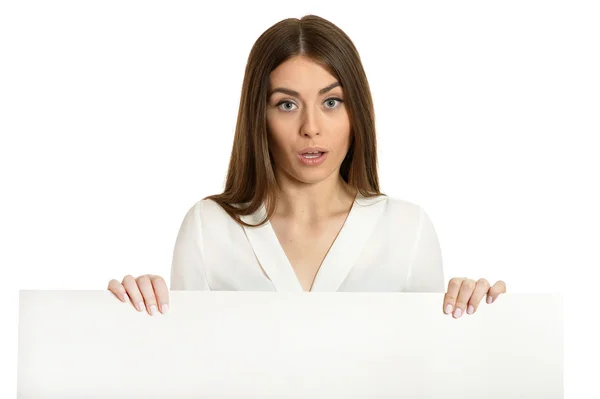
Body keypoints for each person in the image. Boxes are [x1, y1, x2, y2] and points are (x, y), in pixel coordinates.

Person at [107, 14, 506, 319]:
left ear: (356, 112)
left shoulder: (407, 229)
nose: (311, 128)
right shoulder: (209, 227)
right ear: (258, 116)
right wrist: (140, 314)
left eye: (331, 102)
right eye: (287, 104)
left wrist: (474, 313)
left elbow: (426, 371)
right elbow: (187, 369)